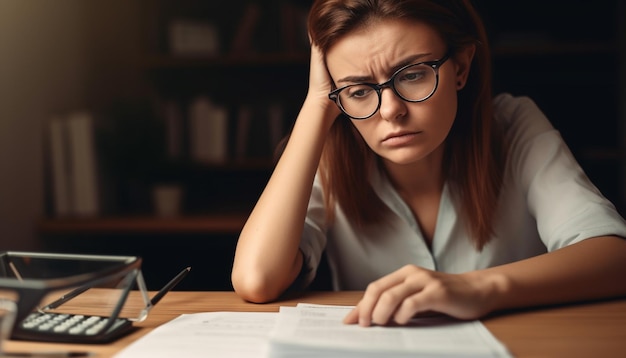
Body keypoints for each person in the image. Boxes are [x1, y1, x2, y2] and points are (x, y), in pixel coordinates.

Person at [231, 0, 626, 326]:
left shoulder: (513, 125)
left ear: (461, 67)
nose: (390, 111)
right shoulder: (329, 152)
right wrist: (318, 103)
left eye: (413, 74)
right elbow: (256, 279)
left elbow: (614, 256)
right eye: (358, 90)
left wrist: (480, 288)